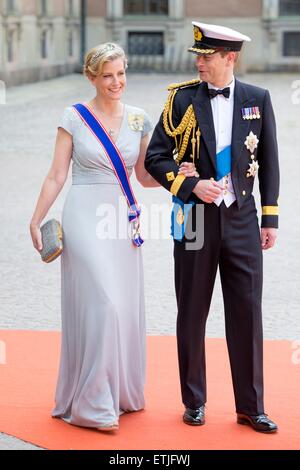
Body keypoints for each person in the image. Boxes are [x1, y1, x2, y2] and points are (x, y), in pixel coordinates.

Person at [30, 43, 197, 432]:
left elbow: (142, 176)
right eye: (107, 75)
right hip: (84, 216)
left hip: (122, 220)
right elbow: (57, 174)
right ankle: (92, 404)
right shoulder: (73, 116)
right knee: (103, 304)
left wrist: (179, 174)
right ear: (91, 77)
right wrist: (36, 218)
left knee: (120, 307)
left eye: (121, 73)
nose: (116, 82)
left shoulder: (138, 118)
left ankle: (120, 392)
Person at [145, 22, 280, 433]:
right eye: (198, 56)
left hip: (241, 219)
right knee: (191, 312)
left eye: (207, 56)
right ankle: (194, 401)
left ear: (230, 58)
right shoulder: (181, 100)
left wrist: (269, 217)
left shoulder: (258, 98)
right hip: (193, 219)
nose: (200, 62)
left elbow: (271, 161)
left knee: (247, 313)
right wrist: (191, 184)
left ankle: (251, 406)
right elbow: (156, 158)